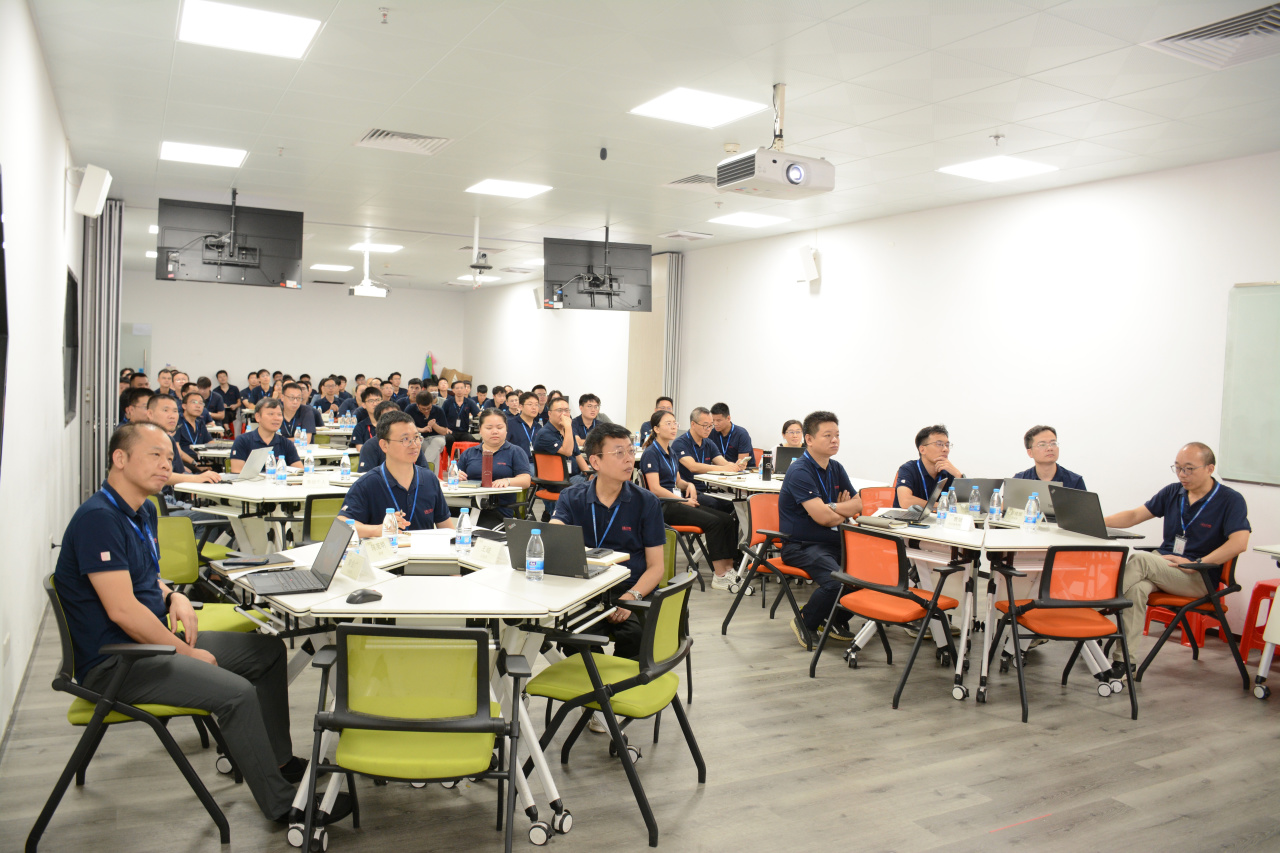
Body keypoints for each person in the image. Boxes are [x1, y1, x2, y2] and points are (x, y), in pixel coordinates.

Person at [51, 423, 333, 824]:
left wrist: (174, 596)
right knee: (236, 693)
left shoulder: (143, 510)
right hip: (117, 662)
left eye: (169, 457)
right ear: (119, 458)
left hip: (151, 643)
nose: (166, 465)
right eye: (155, 455)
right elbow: (122, 610)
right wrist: (185, 652)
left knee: (268, 653)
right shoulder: (98, 518)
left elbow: (145, 578)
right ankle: (283, 806)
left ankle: (278, 761)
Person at [1102, 442, 1250, 676]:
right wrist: (1098, 521)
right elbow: (1135, 515)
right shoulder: (1173, 492)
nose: (1182, 474)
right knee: (1137, 589)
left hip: (1198, 576)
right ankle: (1124, 663)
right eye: (1178, 468)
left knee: (1140, 560)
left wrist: (1197, 564)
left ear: (1210, 468)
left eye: (1189, 469)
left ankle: (1094, 607)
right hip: (1165, 568)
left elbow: (1239, 542)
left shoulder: (1230, 500)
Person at [553, 422, 666, 662]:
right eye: (619, 453)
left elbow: (656, 567)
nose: (629, 459)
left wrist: (631, 596)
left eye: (630, 451)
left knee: (636, 635)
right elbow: (555, 533)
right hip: (586, 591)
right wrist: (552, 533)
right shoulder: (571, 497)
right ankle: (595, 680)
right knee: (571, 633)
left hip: (632, 588)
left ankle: (623, 681)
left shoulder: (646, 502)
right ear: (595, 462)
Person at [778, 411, 865, 647]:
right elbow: (823, 518)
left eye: (837, 435)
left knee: (871, 574)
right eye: (827, 435)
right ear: (809, 439)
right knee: (836, 582)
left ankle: (833, 618)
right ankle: (805, 620)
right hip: (802, 545)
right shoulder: (800, 471)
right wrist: (840, 511)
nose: (835, 440)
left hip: (835, 541)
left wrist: (833, 507)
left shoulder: (836, 467)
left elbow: (858, 504)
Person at [640, 410, 740, 590]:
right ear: (656, 429)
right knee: (714, 522)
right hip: (664, 506)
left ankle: (729, 568)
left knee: (726, 519)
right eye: (668, 424)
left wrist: (689, 485)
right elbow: (655, 489)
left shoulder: (671, 451)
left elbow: (678, 481)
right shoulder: (651, 453)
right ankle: (719, 575)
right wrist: (683, 501)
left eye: (674, 423)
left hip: (676, 501)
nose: (673, 427)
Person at [338, 411, 456, 537]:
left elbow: (448, 529)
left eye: (416, 438)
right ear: (384, 445)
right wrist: (378, 530)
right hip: (387, 549)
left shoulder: (429, 479)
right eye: (405, 439)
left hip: (422, 549)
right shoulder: (368, 483)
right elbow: (341, 525)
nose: (414, 445)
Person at [456, 409, 533, 527]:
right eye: (489, 428)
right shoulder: (469, 453)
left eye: (499, 427)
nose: (495, 431)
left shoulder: (515, 452)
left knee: (476, 531)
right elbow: (455, 475)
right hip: (468, 507)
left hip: (498, 511)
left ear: (506, 430)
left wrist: (507, 481)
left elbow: (526, 480)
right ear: (480, 430)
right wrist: (456, 476)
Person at [672, 407, 741, 514]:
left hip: (706, 489)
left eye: (711, 425)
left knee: (734, 504)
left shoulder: (708, 443)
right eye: (705, 425)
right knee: (713, 504)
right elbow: (693, 466)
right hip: (688, 490)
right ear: (693, 424)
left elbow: (723, 463)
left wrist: (735, 466)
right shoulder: (680, 443)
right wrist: (724, 468)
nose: (709, 429)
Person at [893, 424, 965, 509]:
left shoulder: (948, 472)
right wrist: (941, 505)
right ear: (922, 449)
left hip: (938, 517)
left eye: (947, 445)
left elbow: (967, 505)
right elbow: (905, 501)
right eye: (939, 444)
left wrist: (958, 475)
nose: (945, 449)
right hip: (907, 517)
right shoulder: (908, 469)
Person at [229, 399, 302, 473]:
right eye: (271, 414)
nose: (276, 418)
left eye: (279, 415)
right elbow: (237, 472)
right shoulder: (242, 441)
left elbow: (300, 471)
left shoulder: (286, 443)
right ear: (258, 417)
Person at [358, 402, 432, 472]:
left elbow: (424, 470)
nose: (395, 419)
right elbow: (366, 475)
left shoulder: (413, 443)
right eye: (388, 417)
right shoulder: (370, 446)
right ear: (379, 422)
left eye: (397, 416)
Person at [535, 396, 591, 485]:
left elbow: (577, 455)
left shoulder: (567, 431)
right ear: (549, 413)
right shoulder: (544, 434)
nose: (564, 414)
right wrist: (568, 427)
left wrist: (589, 475)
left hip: (575, 476)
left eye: (566, 410)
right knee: (596, 485)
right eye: (559, 410)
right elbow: (567, 452)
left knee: (601, 480)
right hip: (558, 480)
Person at [1011, 425, 1086, 490]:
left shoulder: (1075, 482)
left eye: (1053, 443)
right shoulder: (1019, 480)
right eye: (1042, 445)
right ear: (1030, 453)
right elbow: (1008, 503)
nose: (1050, 448)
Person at [408, 389, 449, 470]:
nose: (426, 411)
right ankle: (433, 475)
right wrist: (422, 429)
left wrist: (434, 425)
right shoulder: (410, 410)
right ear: (417, 405)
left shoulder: (438, 410)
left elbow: (444, 432)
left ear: (432, 403)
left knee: (437, 442)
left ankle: (425, 467)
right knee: (433, 453)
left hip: (437, 438)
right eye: (423, 409)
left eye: (429, 408)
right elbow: (406, 427)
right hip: (420, 438)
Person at [441, 379, 481, 452]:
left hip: (464, 432)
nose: (459, 390)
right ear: (453, 390)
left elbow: (479, 414)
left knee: (473, 440)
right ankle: (452, 455)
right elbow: (441, 417)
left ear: (465, 389)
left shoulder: (470, 402)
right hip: (451, 432)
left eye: (461, 388)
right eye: (457, 388)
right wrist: (445, 429)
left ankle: (466, 456)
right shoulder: (447, 402)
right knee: (448, 439)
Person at [709, 402, 753, 466]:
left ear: (728, 418)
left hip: (743, 470)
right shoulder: (711, 433)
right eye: (713, 420)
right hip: (721, 469)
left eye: (719, 420)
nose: (715, 424)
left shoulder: (741, 434)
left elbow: (742, 463)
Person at [176, 391, 212, 457]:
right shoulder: (177, 422)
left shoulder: (200, 422)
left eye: (201, 403)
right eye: (194, 402)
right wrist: (193, 462)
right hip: (183, 461)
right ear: (184, 406)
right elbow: (176, 450)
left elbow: (210, 442)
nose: (198, 406)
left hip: (201, 459)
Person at [507, 392, 542, 461]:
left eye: (536, 405)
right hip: (517, 462)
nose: (534, 407)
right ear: (521, 407)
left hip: (536, 462)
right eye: (530, 404)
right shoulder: (510, 424)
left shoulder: (539, 427)